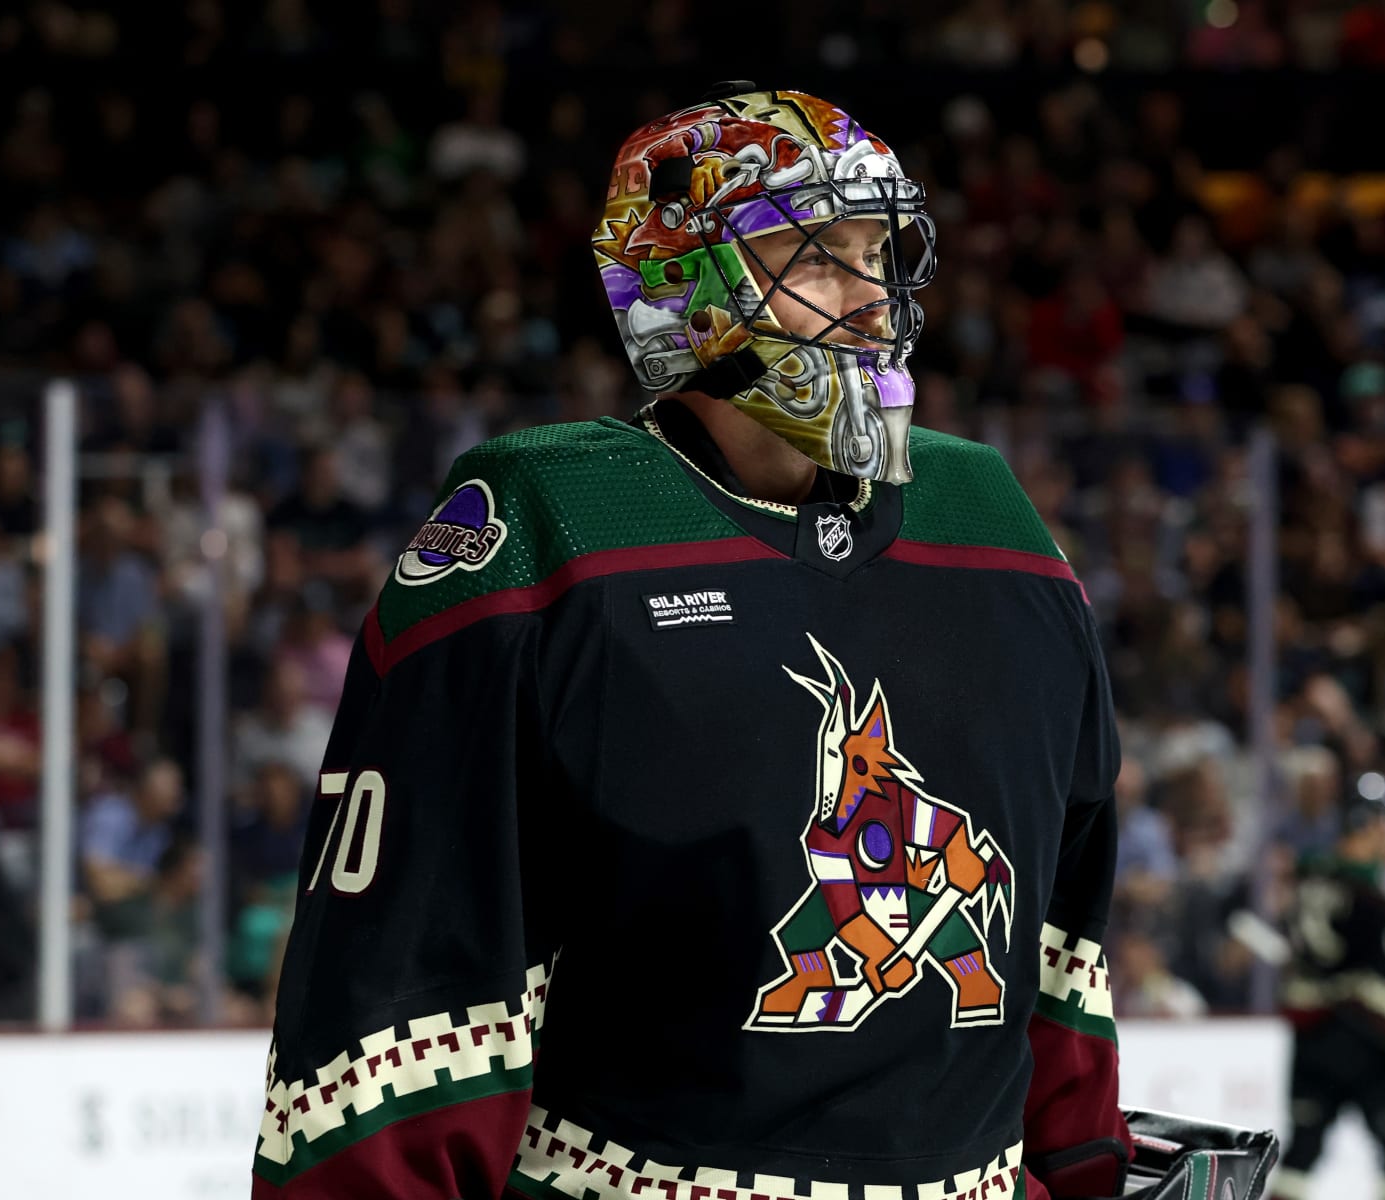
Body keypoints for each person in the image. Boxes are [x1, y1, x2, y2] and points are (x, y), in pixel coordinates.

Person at [253, 83, 1273, 1200]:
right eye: (816, 255)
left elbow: (1059, 949)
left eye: (879, 253)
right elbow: (405, 985)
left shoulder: (993, 522)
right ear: (684, 285)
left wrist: (1081, 1173)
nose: (870, 299)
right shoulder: (544, 524)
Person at [1270, 772, 1385, 1200]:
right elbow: (1382, 979)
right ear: (1371, 823)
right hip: (1369, 1039)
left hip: (1313, 1036)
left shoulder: (1311, 874)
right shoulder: (1378, 887)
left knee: (1304, 1150)